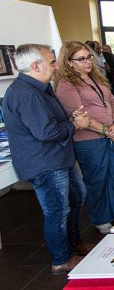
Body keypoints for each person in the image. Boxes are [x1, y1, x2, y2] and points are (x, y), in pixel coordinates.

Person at [3, 44, 90, 274]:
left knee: (76, 198)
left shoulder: (39, 88)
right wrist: (74, 124)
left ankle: (74, 245)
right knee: (57, 211)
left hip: (59, 158)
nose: (56, 66)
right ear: (35, 66)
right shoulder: (25, 94)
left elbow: (50, 122)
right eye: (51, 62)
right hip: (46, 162)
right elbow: (47, 132)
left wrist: (70, 118)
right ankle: (61, 259)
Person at [55, 41, 114, 235]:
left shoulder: (96, 76)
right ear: (69, 62)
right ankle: (101, 218)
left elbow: (111, 100)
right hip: (88, 139)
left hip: (111, 133)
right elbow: (81, 118)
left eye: (89, 57)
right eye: (81, 59)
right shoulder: (66, 85)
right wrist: (106, 129)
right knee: (97, 178)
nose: (88, 61)